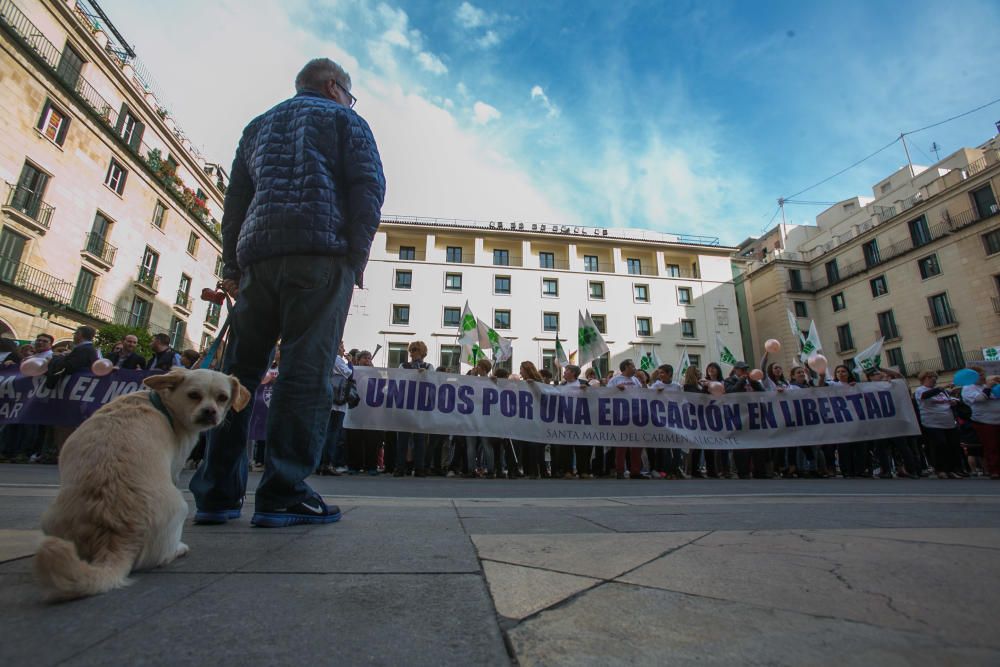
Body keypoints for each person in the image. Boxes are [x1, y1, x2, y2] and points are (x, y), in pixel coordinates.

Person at [190, 57, 385, 527]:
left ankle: (216, 493)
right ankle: (283, 492)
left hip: (258, 259)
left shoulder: (257, 126)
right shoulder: (346, 120)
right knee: (305, 371)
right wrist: (355, 259)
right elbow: (369, 188)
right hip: (321, 254)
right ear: (335, 87)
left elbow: (235, 201)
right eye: (348, 92)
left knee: (237, 377)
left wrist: (233, 266)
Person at [915, 371, 963, 479]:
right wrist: (939, 389)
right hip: (932, 423)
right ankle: (940, 469)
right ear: (923, 379)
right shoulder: (920, 390)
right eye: (930, 377)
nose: (933, 379)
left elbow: (949, 400)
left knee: (952, 446)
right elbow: (924, 396)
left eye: (934, 377)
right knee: (940, 446)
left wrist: (954, 402)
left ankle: (951, 469)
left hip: (948, 423)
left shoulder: (943, 392)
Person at [395, 341, 433, 477]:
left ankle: (419, 468)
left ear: (422, 352)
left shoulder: (429, 367)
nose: (413, 353)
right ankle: (400, 467)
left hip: (420, 408)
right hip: (405, 406)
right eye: (411, 350)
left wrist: (425, 375)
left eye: (416, 350)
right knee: (402, 440)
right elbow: (398, 380)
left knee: (420, 440)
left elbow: (433, 383)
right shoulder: (403, 366)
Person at [725, 361, 768, 479]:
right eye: (742, 369)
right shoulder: (729, 380)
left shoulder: (752, 381)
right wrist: (741, 380)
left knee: (758, 446)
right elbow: (732, 392)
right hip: (739, 417)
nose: (744, 372)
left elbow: (762, 393)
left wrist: (753, 381)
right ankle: (743, 471)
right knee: (741, 446)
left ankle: (760, 471)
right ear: (735, 370)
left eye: (745, 369)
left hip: (754, 416)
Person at [961, 367, 1000, 480]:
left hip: (997, 419)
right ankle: (994, 470)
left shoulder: (987, 386)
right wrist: (988, 387)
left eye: (983, 374)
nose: (984, 377)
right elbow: (980, 399)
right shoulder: (968, 388)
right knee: (991, 446)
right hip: (985, 421)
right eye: (980, 375)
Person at [608, 359, 644, 479]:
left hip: (635, 415)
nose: (635, 368)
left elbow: (643, 395)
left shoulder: (635, 381)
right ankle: (620, 470)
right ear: (626, 367)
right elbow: (605, 394)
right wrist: (616, 389)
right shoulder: (615, 380)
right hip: (621, 416)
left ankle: (635, 471)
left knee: (636, 444)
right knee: (621, 444)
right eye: (633, 366)